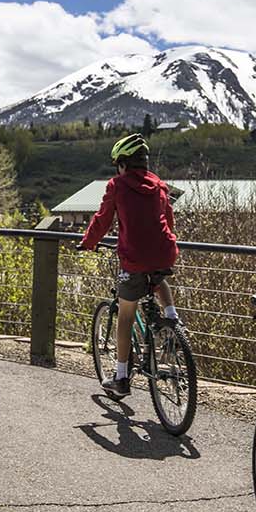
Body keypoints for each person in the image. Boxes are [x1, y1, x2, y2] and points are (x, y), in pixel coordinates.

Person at [77, 132, 181, 399]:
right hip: (165, 252)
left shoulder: (117, 185)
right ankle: (172, 321)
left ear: (122, 164)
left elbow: (102, 220)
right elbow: (168, 221)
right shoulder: (159, 186)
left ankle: (121, 378)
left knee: (124, 317)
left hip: (134, 258)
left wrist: (87, 243)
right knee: (157, 280)